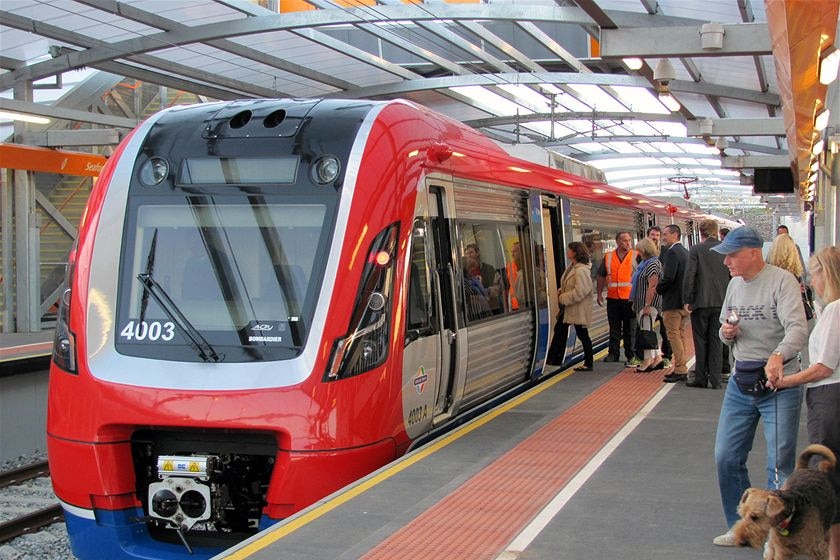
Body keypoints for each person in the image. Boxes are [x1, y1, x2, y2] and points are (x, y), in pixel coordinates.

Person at [710, 225, 809, 547]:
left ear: (754, 253)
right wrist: (726, 334)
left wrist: (778, 355)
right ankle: (739, 525)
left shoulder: (782, 281)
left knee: (778, 463)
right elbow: (724, 327)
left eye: (732, 255)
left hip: (778, 386)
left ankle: (777, 536)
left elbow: (797, 329)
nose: (727, 262)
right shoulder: (734, 285)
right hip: (741, 383)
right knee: (726, 456)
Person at [766, 246, 840, 559]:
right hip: (828, 396)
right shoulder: (829, 309)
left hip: (830, 398)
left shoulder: (836, 310)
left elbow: (825, 366)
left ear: (828, 273)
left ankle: (832, 550)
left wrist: (786, 381)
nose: (812, 281)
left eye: (814, 273)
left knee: (827, 476)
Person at [682, 219, 729, 389]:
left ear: (700, 233)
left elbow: (690, 276)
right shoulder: (726, 249)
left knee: (700, 341)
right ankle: (716, 380)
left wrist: (687, 299)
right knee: (716, 340)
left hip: (700, 303)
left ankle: (701, 377)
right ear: (716, 231)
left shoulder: (696, 250)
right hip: (721, 303)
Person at [546, 242, 594, 371]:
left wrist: (563, 297)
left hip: (577, 308)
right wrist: (562, 291)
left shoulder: (581, 270)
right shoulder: (573, 267)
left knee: (582, 335)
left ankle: (588, 363)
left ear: (575, 253)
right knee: (560, 330)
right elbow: (569, 284)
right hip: (570, 308)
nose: (567, 252)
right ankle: (554, 359)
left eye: (569, 250)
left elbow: (581, 291)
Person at [596, 232, 637, 365]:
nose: (628, 243)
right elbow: (601, 275)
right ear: (618, 242)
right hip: (613, 299)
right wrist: (599, 293)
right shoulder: (608, 257)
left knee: (630, 329)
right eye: (625, 241)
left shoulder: (636, 256)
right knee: (614, 328)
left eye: (629, 240)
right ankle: (613, 354)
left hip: (630, 299)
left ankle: (631, 354)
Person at [657, 224, 691, 383]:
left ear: (675, 235)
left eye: (665, 234)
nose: (663, 237)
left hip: (672, 303)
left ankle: (680, 369)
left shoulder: (672, 253)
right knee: (681, 334)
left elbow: (669, 277)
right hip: (683, 302)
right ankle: (681, 366)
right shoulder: (685, 252)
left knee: (673, 336)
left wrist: (659, 289)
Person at [630, 237, 663, 371]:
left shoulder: (652, 264)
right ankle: (658, 358)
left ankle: (647, 361)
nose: (638, 253)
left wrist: (647, 305)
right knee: (647, 330)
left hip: (648, 304)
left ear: (645, 250)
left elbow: (652, 286)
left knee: (646, 331)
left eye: (640, 250)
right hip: (642, 303)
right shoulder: (646, 263)